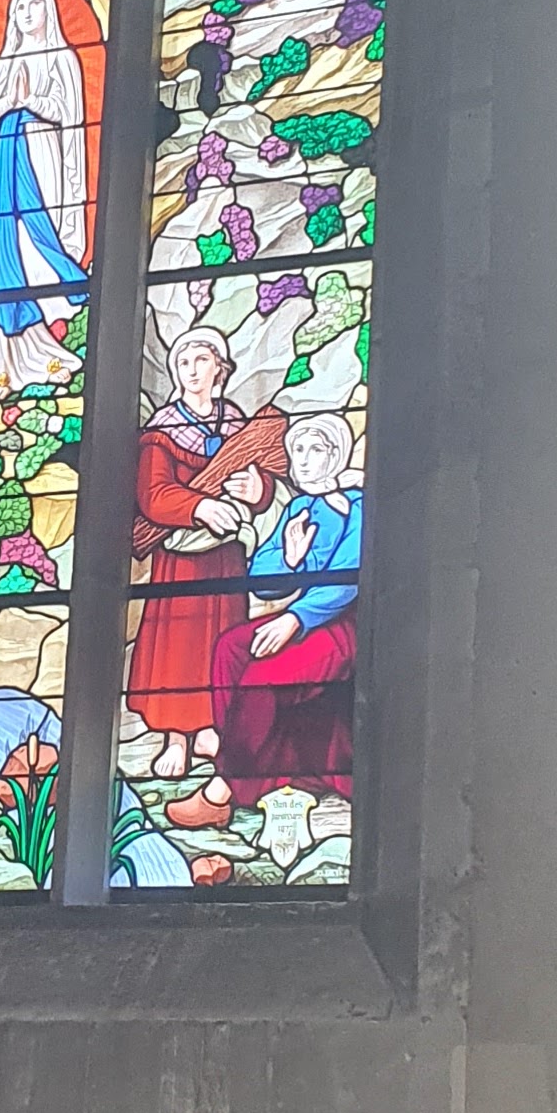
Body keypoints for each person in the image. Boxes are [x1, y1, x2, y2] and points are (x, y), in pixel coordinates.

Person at [178, 411, 362, 818]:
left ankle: (222, 790)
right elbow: (261, 577)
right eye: (298, 450)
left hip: (349, 625)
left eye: (316, 449)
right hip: (305, 619)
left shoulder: (358, 506)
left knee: (265, 674)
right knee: (231, 647)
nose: (305, 459)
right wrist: (290, 562)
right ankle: (241, 757)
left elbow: (348, 577)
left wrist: (294, 619)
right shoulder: (300, 507)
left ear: (336, 455)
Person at [125, 327, 265, 777]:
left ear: (219, 369)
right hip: (181, 559)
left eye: (201, 361)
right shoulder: (162, 430)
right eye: (183, 363)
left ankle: (209, 725)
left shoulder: (236, 424)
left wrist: (257, 490)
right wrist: (199, 506)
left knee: (223, 639)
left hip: (225, 558)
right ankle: (176, 738)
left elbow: (261, 479)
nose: (192, 371)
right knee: (180, 647)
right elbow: (152, 494)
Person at [0, 0, 89, 390]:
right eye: (20, 9)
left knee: (31, 248)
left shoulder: (62, 59)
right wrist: (3, 106)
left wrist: (31, 102)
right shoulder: (3, 65)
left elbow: (70, 115)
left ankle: (42, 349)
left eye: (34, 5)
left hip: (40, 160)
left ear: (50, 11)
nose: (27, 15)